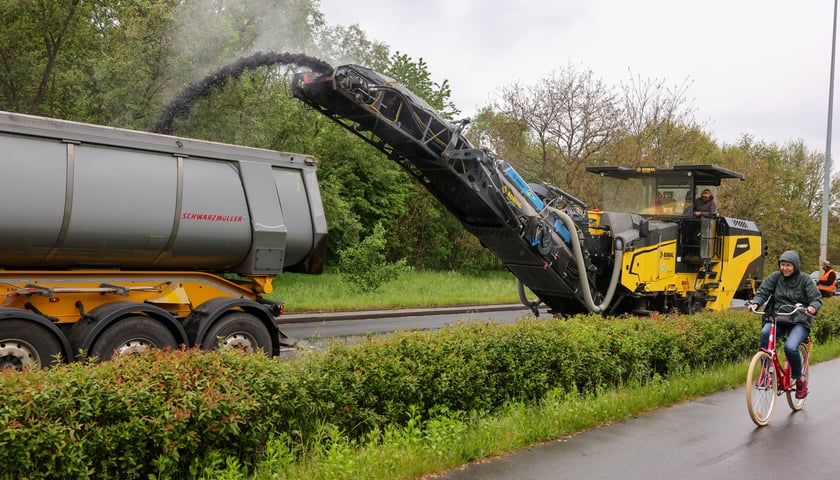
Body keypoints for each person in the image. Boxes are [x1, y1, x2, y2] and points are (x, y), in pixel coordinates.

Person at [748, 250, 822, 399]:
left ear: (795, 266)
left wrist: (812, 307)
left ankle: (800, 379)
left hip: (799, 320)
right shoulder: (775, 277)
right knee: (764, 334)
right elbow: (763, 292)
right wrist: (755, 304)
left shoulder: (805, 280)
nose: (785, 268)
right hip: (779, 318)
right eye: (782, 265)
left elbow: (816, 298)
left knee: (790, 347)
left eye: (788, 265)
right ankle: (765, 372)